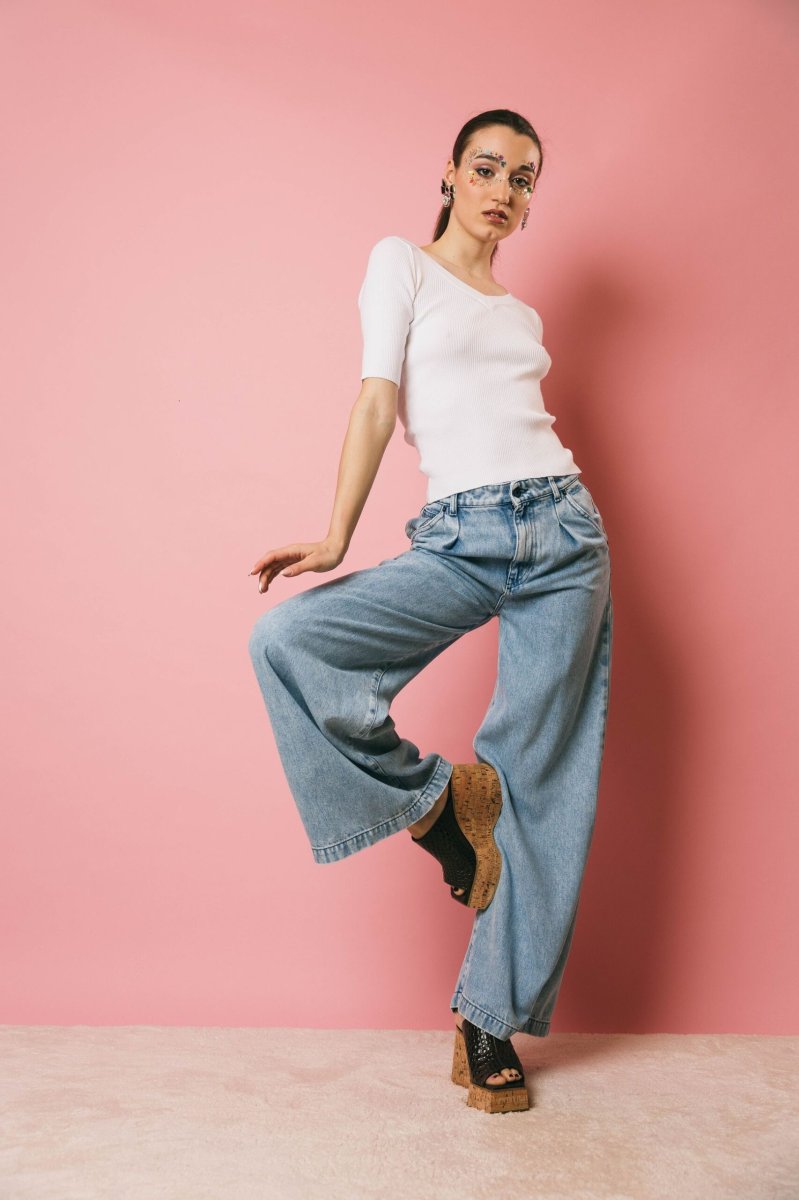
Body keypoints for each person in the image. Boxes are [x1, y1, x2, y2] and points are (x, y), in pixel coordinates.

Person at [247, 108, 613, 1114]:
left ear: (530, 202)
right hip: (461, 534)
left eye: (523, 179)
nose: (503, 190)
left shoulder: (521, 316)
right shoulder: (401, 264)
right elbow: (377, 400)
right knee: (288, 640)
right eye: (487, 168)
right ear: (449, 173)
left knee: (543, 781)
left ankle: (488, 1020)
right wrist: (336, 537)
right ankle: (436, 804)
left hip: (565, 537)